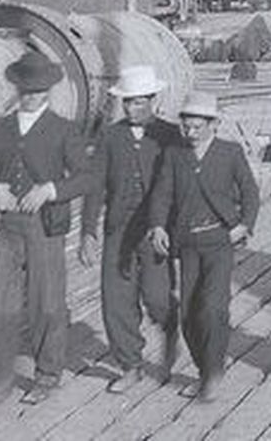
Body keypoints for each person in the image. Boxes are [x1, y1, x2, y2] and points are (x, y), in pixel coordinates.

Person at [0, 50, 95, 406]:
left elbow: (87, 177)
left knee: (47, 303)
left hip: (45, 227)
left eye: (37, 89)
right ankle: (3, 375)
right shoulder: (0, 128)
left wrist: (51, 189)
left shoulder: (63, 130)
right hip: (6, 227)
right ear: (17, 87)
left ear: (48, 90)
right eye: (25, 88)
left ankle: (47, 373)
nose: (30, 95)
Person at [146, 91, 260, 402]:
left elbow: (250, 192)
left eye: (198, 127)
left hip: (220, 242)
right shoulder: (174, 155)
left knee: (213, 308)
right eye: (186, 126)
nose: (191, 133)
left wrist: (244, 225)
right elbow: (162, 195)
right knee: (188, 315)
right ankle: (203, 368)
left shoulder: (229, 152)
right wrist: (157, 225)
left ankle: (213, 373)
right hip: (187, 245)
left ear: (213, 124)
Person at [81, 65, 183, 393]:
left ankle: (170, 332)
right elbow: (95, 185)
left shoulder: (170, 135)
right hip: (118, 229)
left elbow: (184, 185)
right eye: (127, 103)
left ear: (153, 100)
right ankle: (131, 365)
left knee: (157, 297)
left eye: (138, 103)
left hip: (156, 230)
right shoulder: (110, 136)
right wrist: (88, 231)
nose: (131, 109)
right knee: (117, 299)